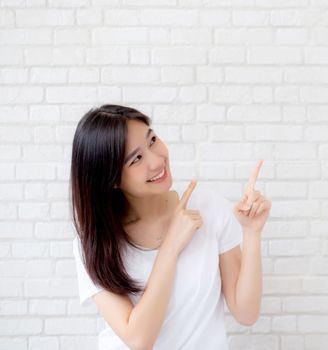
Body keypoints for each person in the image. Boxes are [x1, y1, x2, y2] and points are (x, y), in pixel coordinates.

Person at [69, 104, 271, 350]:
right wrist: (171, 247)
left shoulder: (210, 209)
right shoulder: (94, 244)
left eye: (152, 140)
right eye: (137, 159)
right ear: (111, 179)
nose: (156, 160)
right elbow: (139, 339)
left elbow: (246, 313)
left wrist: (251, 232)